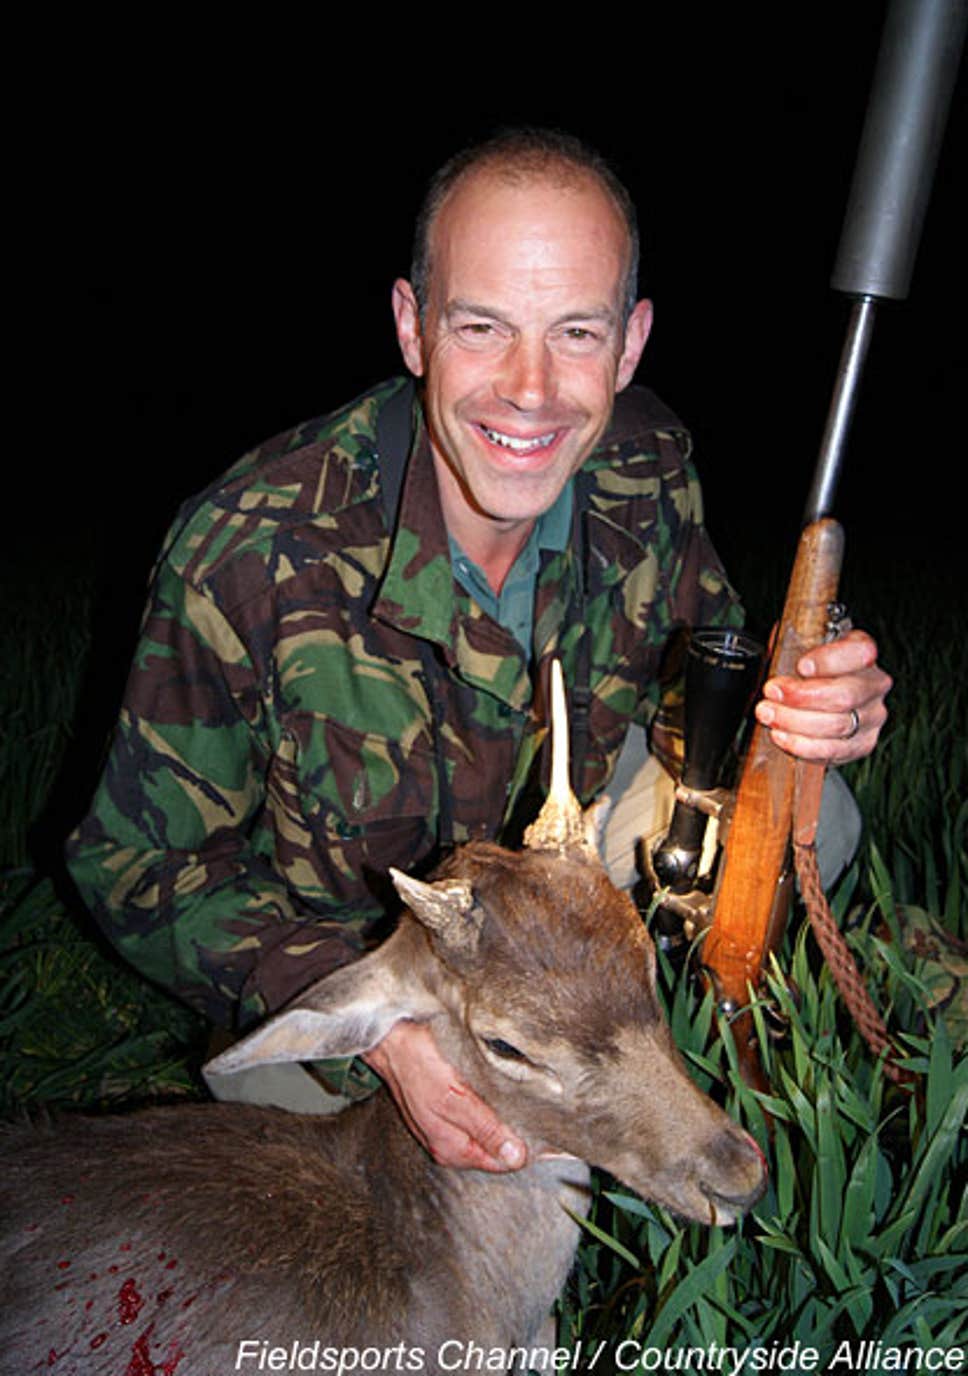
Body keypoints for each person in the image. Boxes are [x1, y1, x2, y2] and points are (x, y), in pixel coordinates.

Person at [67, 128, 890, 1176]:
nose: (530, 387)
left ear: (629, 343)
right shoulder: (251, 551)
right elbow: (137, 865)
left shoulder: (646, 471)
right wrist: (395, 1035)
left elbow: (698, 708)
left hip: (560, 919)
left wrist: (809, 713)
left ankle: (638, 1039)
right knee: (352, 1185)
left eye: (577, 333)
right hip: (370, 963)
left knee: (819, 809)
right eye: (482, 326)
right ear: (413, 327)